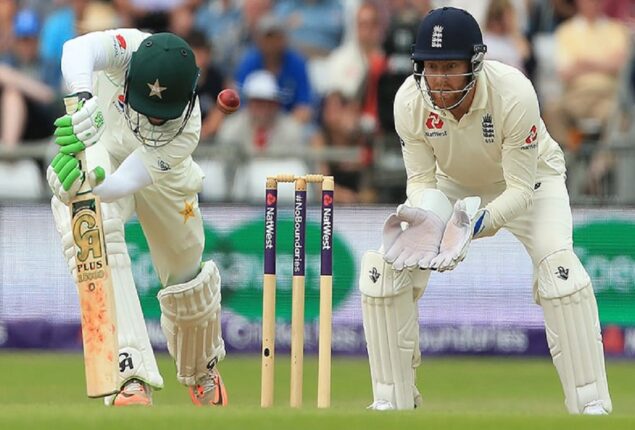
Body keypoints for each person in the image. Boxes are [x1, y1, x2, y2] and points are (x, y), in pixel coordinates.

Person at [359, 7, 612, 415]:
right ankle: (392, 402)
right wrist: (426, 220)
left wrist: (474, 225)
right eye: (430, 67)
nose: (438, 80)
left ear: (475, 64)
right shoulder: (409, 100)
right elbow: (422, 183)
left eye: (450, 67)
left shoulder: (513, 92)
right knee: (385, 269)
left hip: (532, 180)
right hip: (450, 182)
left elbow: (519, 192)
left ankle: (590, 406)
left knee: (561, 274)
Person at [46, 30, 228, 407]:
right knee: (90, 227)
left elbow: (125, 182)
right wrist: (83, 100)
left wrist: (95, 186)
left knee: (185, 277)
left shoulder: (187, 131)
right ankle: (129, 374)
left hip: (155, 171)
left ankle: (201, 370)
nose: (152, 119)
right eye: (144, 107)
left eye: (162, 116)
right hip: (103, 147)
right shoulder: (128, 48)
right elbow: (75, 49)